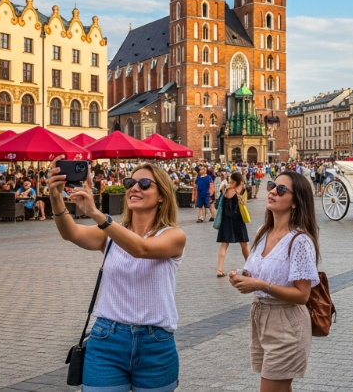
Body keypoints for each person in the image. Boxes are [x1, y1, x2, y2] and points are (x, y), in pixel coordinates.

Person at [47, 157, 186, 392]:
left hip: (156, 344)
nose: (134, 188)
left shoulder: (173, 235)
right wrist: (55, 196)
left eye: (144, 184)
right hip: (106, 340)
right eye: (130, 182)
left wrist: (95, 213)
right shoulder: (110, 234)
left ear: (162, 194)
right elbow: (70, 233)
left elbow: (141, 249)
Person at [228, 172, 320, 392]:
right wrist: (242, 277)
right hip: (261, 319)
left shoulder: (300, 241)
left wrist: (261, 285)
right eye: (272, 185)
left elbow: (302, 295)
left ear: (296, 202)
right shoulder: (263, 232)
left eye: (280, 190)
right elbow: (256, 271)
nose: (271, 191)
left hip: (287, 323)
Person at [216, 172, 250, 278]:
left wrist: (229, 184)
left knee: (224, 245)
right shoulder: (239, 190)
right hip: (237, 219)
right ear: (239, 182)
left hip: (226, 219)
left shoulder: (225, 189)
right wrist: (240, 182)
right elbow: (243, 191)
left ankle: (219, 269)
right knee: (244, 243)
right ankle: (250, 266)